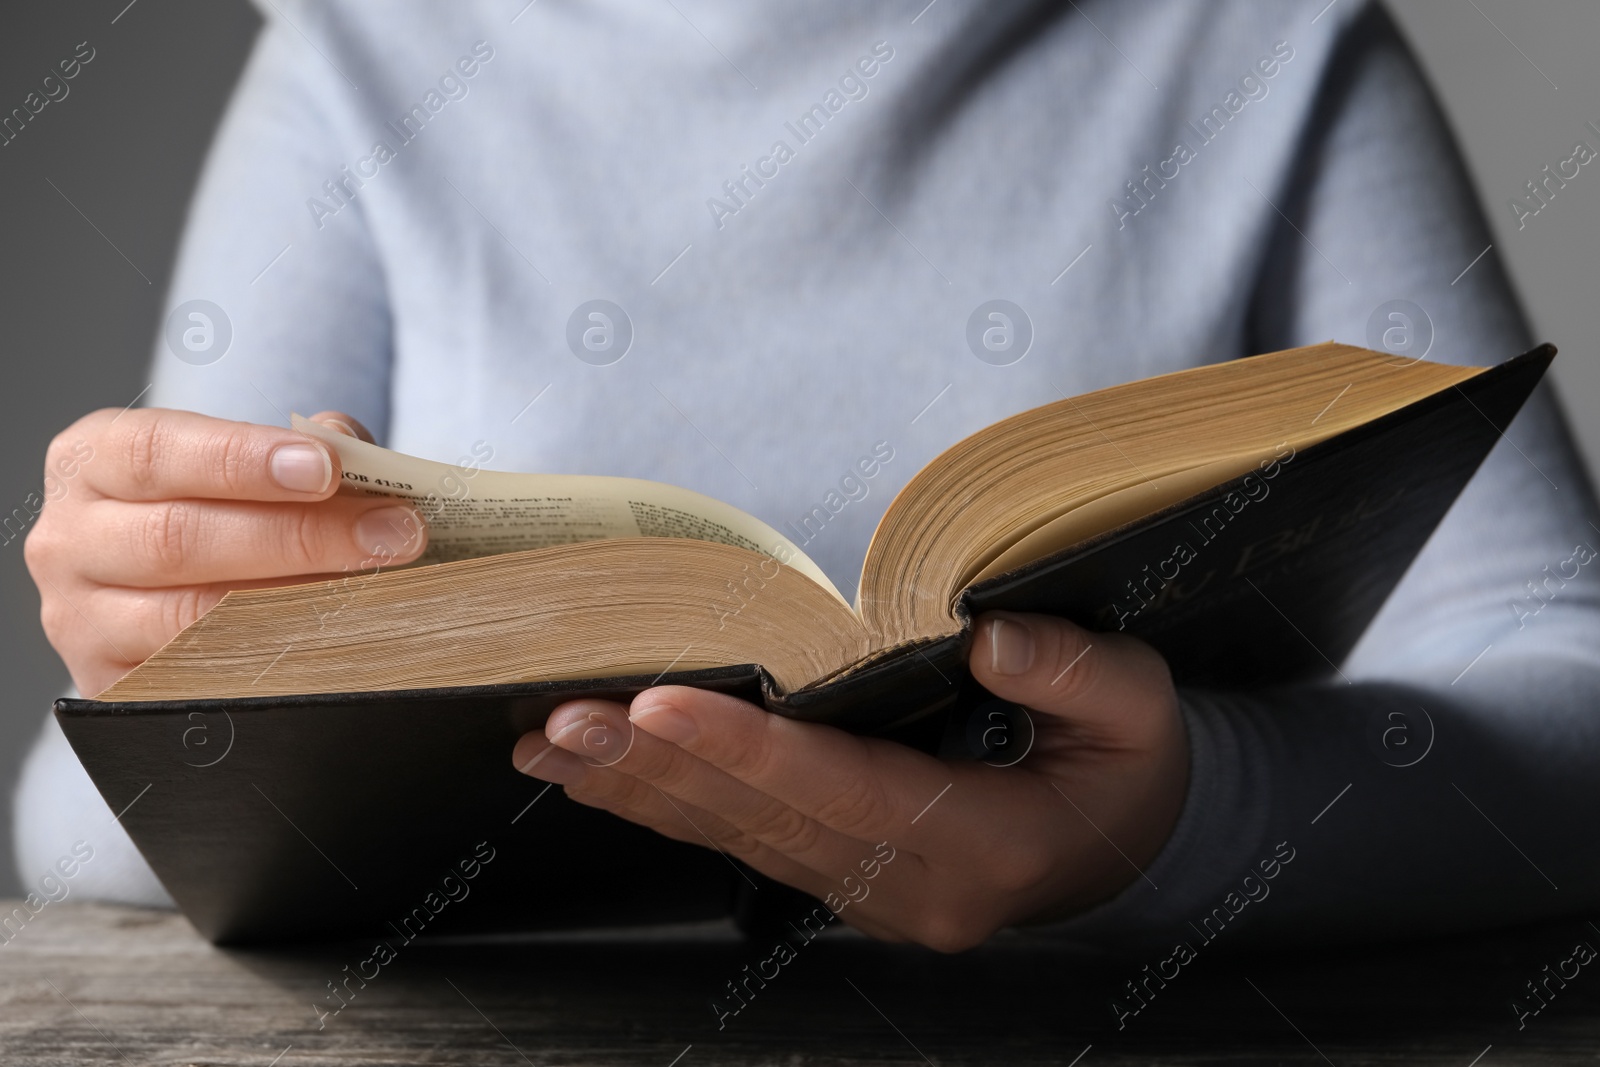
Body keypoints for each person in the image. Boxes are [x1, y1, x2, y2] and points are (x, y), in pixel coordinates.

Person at [15, 0, 1600, 951]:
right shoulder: (368, 56)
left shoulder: (1269, 40)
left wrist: (1166, 827)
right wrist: (177, 676)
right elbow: (78, 833)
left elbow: (1572, 695)